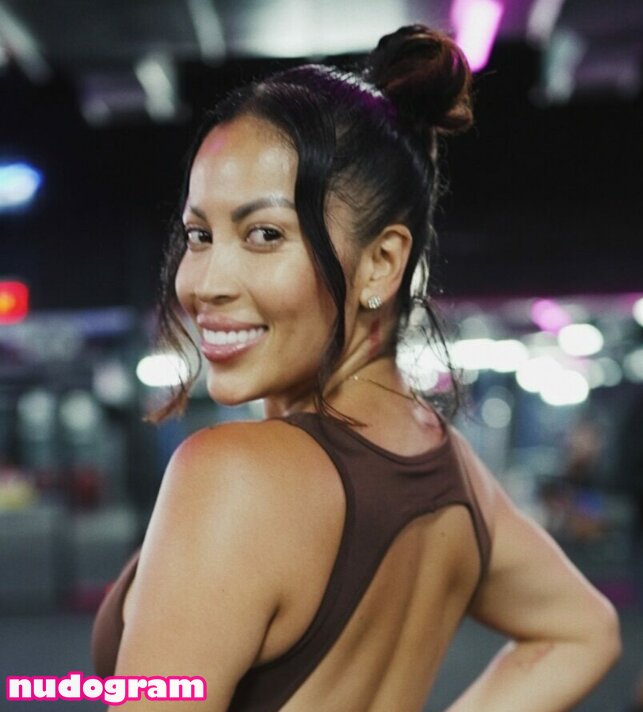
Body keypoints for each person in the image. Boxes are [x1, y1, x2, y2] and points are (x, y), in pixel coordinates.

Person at [91, 25, 621, 711]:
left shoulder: (231, 476)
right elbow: (581, 631)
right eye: (200, 234)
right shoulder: (450, 469)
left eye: (264, 235)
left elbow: (585, 633)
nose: (205, 284)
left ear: (381, 263)